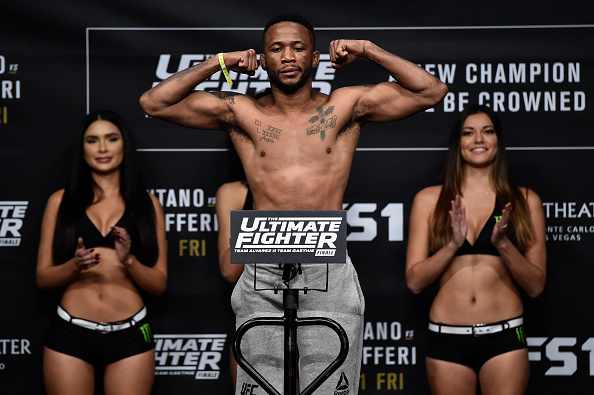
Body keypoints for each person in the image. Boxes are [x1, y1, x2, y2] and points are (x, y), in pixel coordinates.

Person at [139, 12, 447, 394]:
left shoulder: (344, 107)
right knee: (259, 389)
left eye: (298, 48)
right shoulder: (242, 111)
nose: (288, 56)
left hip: (326, 269)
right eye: (277, 49)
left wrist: (368, 50)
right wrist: (220, 62)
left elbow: (431, 91)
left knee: (331, 387)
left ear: (315, 59)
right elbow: (154, 103)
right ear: (263, 60)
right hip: (262, 268)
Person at [405, 104, 546, 395]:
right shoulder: (429, 200)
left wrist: (503, 244)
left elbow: (535, 286)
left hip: (505, 336)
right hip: (447, 339)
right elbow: (414, 281)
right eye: (469, 133)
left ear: (498, 140)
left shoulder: (525, 200)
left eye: (487, 132)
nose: (478, 139)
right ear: (458, 144)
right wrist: (452, 245)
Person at [36, 110, 168, 395]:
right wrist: (75, 265)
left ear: (124, 145)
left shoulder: (148, 205)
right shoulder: (60, 202)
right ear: (82, 150)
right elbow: (43, 279)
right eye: (92, 140)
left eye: (111, 138)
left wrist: (128, 260)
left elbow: (159, 284)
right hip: (70, 333)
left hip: (131, 335)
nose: (103, 148)